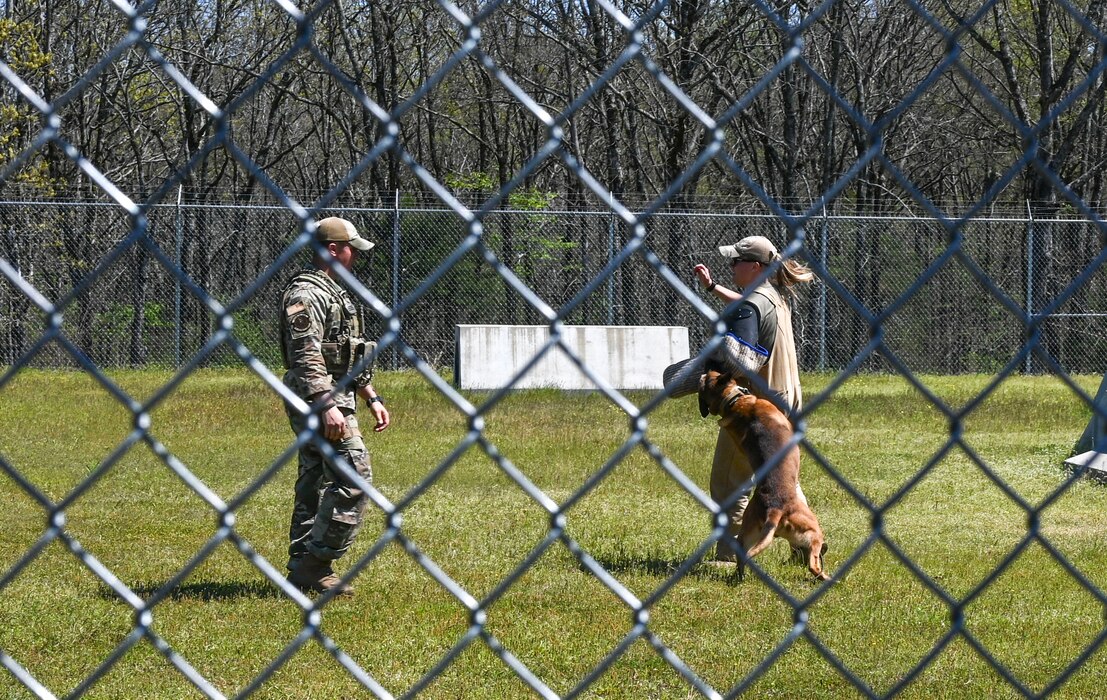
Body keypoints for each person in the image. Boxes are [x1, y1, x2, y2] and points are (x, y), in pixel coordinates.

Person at [278, 216, 390, 596]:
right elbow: (306, 355)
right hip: (318, 398)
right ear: (332, 250)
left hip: (336, 394)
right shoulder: (305, 294)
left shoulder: (333, 291)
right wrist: (325, 404)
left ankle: (301, 565)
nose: (353, 258)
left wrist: (369, 395)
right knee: (354, 472)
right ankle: (316, 563)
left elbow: (344, 352)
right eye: (350, 250)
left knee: (314, 478)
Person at [692, 235, 814, 562]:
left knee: (730, 481)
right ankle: (806, 540)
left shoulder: (751, 305)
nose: (732, 266)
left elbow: (738, 359)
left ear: (755, 266)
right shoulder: (774, 295)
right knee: (783, 483)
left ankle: (731, 553)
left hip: (756, 413)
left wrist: (707, 369)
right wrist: (712, 287)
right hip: (787, 404)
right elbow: (744, 305)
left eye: (736, 261)